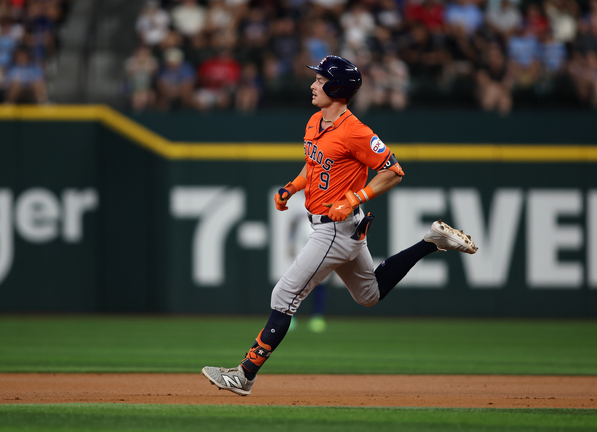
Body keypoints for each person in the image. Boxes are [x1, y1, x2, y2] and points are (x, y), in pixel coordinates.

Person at [201, 55, 478, 396]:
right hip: (339, 227)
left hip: (335, 228)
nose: (313, 84)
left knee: (283, 295)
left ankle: (245, 375)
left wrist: (355, 197)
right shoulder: (316, 120)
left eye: (319, 80)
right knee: (369, 295)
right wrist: (292, 186)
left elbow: (393, 171)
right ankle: (431, 242)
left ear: (336, 87)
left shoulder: (356, 131)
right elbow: (312, 166)